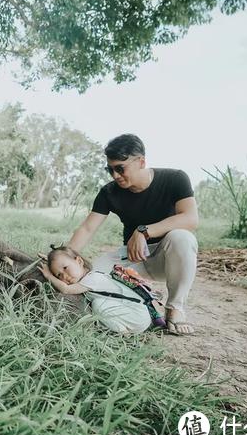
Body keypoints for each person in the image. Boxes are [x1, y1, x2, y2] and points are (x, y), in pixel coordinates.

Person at [65, 134, 199, 335]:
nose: (115, 175)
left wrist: (143, 231)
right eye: (110, 169)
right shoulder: (109, 192)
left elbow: (190, 219)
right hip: (132, 260)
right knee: (92, 274)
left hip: (167, 256)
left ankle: (174, 308)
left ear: (141, 162)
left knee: (183, 238)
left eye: (120, 168)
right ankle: (135, 309)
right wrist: (63, 257)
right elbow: (87, 228)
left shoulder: (175, 178)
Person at [39, 245, 153, 334]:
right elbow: (62, 271)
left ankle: (123, 333)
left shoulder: (92, 279)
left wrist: (49, 275)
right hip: (135, 314)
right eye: (58, 275)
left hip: (137, 316)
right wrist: (52, 264)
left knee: (98, 304)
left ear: (79, 261)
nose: (64, 276)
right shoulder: (88, 277)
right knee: (99, 304)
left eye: (65, 268)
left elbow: (66, 289)